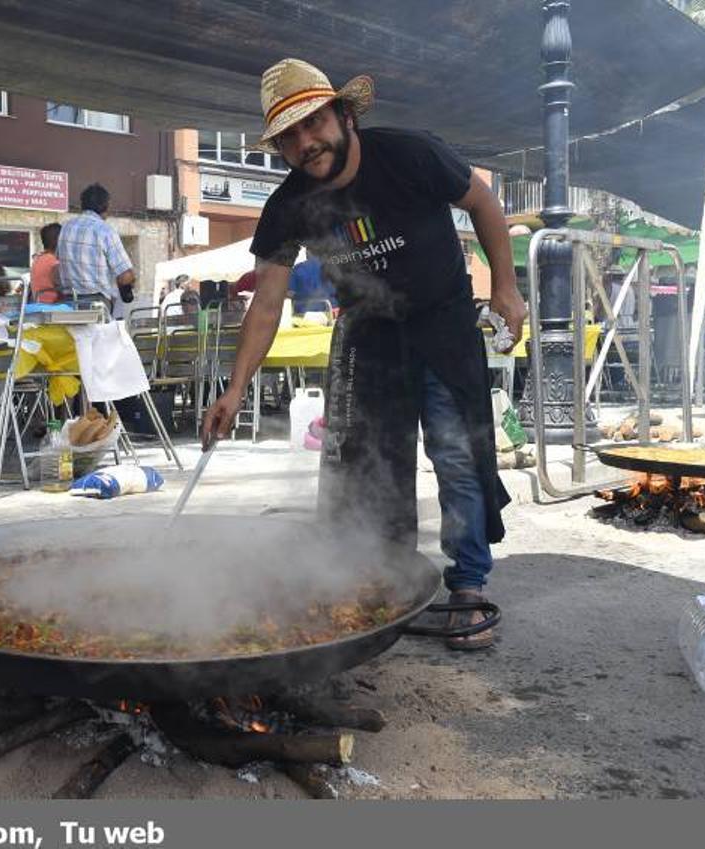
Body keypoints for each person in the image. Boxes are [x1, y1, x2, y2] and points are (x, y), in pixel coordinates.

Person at [203, 59, 527, 650]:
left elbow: (481, 202)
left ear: (344, 116)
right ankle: (381, 576)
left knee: (456, 455)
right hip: (367, 333)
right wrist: (233, 389)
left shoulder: (409, 155)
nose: (306, 143)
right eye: (289, 137)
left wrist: (504, 285)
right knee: (366, 464)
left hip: (441, 321)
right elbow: (267, 303)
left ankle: (468, 585)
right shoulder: (288, 206)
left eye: (314, 124)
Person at [57, 183, 136, 310]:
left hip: (68, 304)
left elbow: (58, 265)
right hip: (96, 304)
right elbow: (125, 276)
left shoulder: (66, 228)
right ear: (105, 206)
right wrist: (129, 284)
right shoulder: (105, 231)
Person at [30, 222, 62, 304]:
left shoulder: (38, 259)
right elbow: (62, 287)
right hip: (53, 306)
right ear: (59, 240)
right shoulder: (53, 261)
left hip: (39, 304)